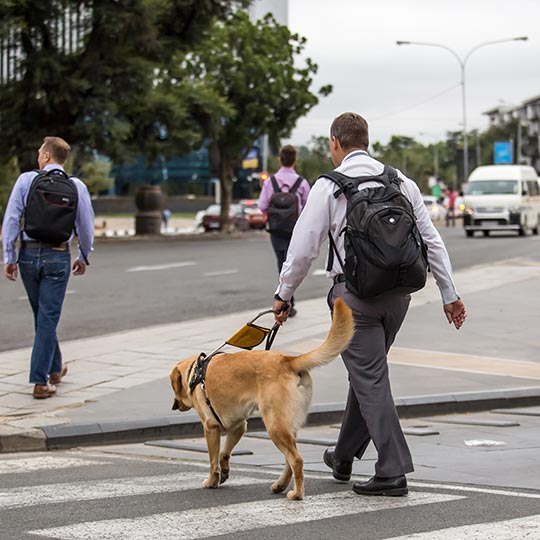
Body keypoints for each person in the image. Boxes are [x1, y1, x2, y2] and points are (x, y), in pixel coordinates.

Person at [271, 112, 467, 497]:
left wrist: (284, 294)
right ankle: (343, 456)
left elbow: (303, 248)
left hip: (354, 300)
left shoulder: (329, 187)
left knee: (370, 377)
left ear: (335, 143)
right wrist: (450, 295)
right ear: (366, 140)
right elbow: (431, 241)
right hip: (398, 298)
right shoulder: (400, 181)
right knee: (367, 374)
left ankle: (392, 470)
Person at [2, 136, 95, 399]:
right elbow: (86, 226)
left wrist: (9, 256)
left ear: (46, 156)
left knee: (43, 317)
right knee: (47, 317)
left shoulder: (26, 180)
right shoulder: (76, 185)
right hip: (57, 256)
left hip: (29, 256)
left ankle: (52, 372)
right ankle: (42, 379)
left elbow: (11, 218)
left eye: (39, 152)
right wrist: (84, 255)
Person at [259, 144, 310, 317]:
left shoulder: (270, 182)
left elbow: (262, 205)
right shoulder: (301, 183)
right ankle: (289, 300)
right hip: (294, 230)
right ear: (295, 160)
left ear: (280, 159)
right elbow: (309, 207)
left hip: (276, 230)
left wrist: (272, 216)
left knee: (281, 263)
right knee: (291, 262)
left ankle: (284, 299)